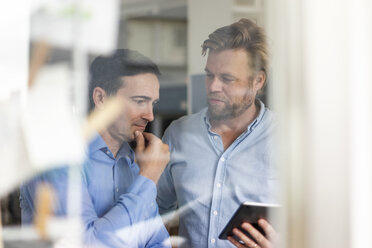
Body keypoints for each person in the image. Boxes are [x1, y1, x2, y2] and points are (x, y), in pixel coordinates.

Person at [20, 49, 171, 248]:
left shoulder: (134, 163)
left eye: (153, 103)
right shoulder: (58, 159)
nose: (150, 115)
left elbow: (157, 242)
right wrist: (148, 178)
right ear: (100, 98)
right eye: (140, 101)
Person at [156, 19, 279, 248]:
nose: (213, 86)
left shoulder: (287, 141)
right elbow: (152, 214)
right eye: (209, 75)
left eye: (227, 79)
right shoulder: (179, 134)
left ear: (258, 81)